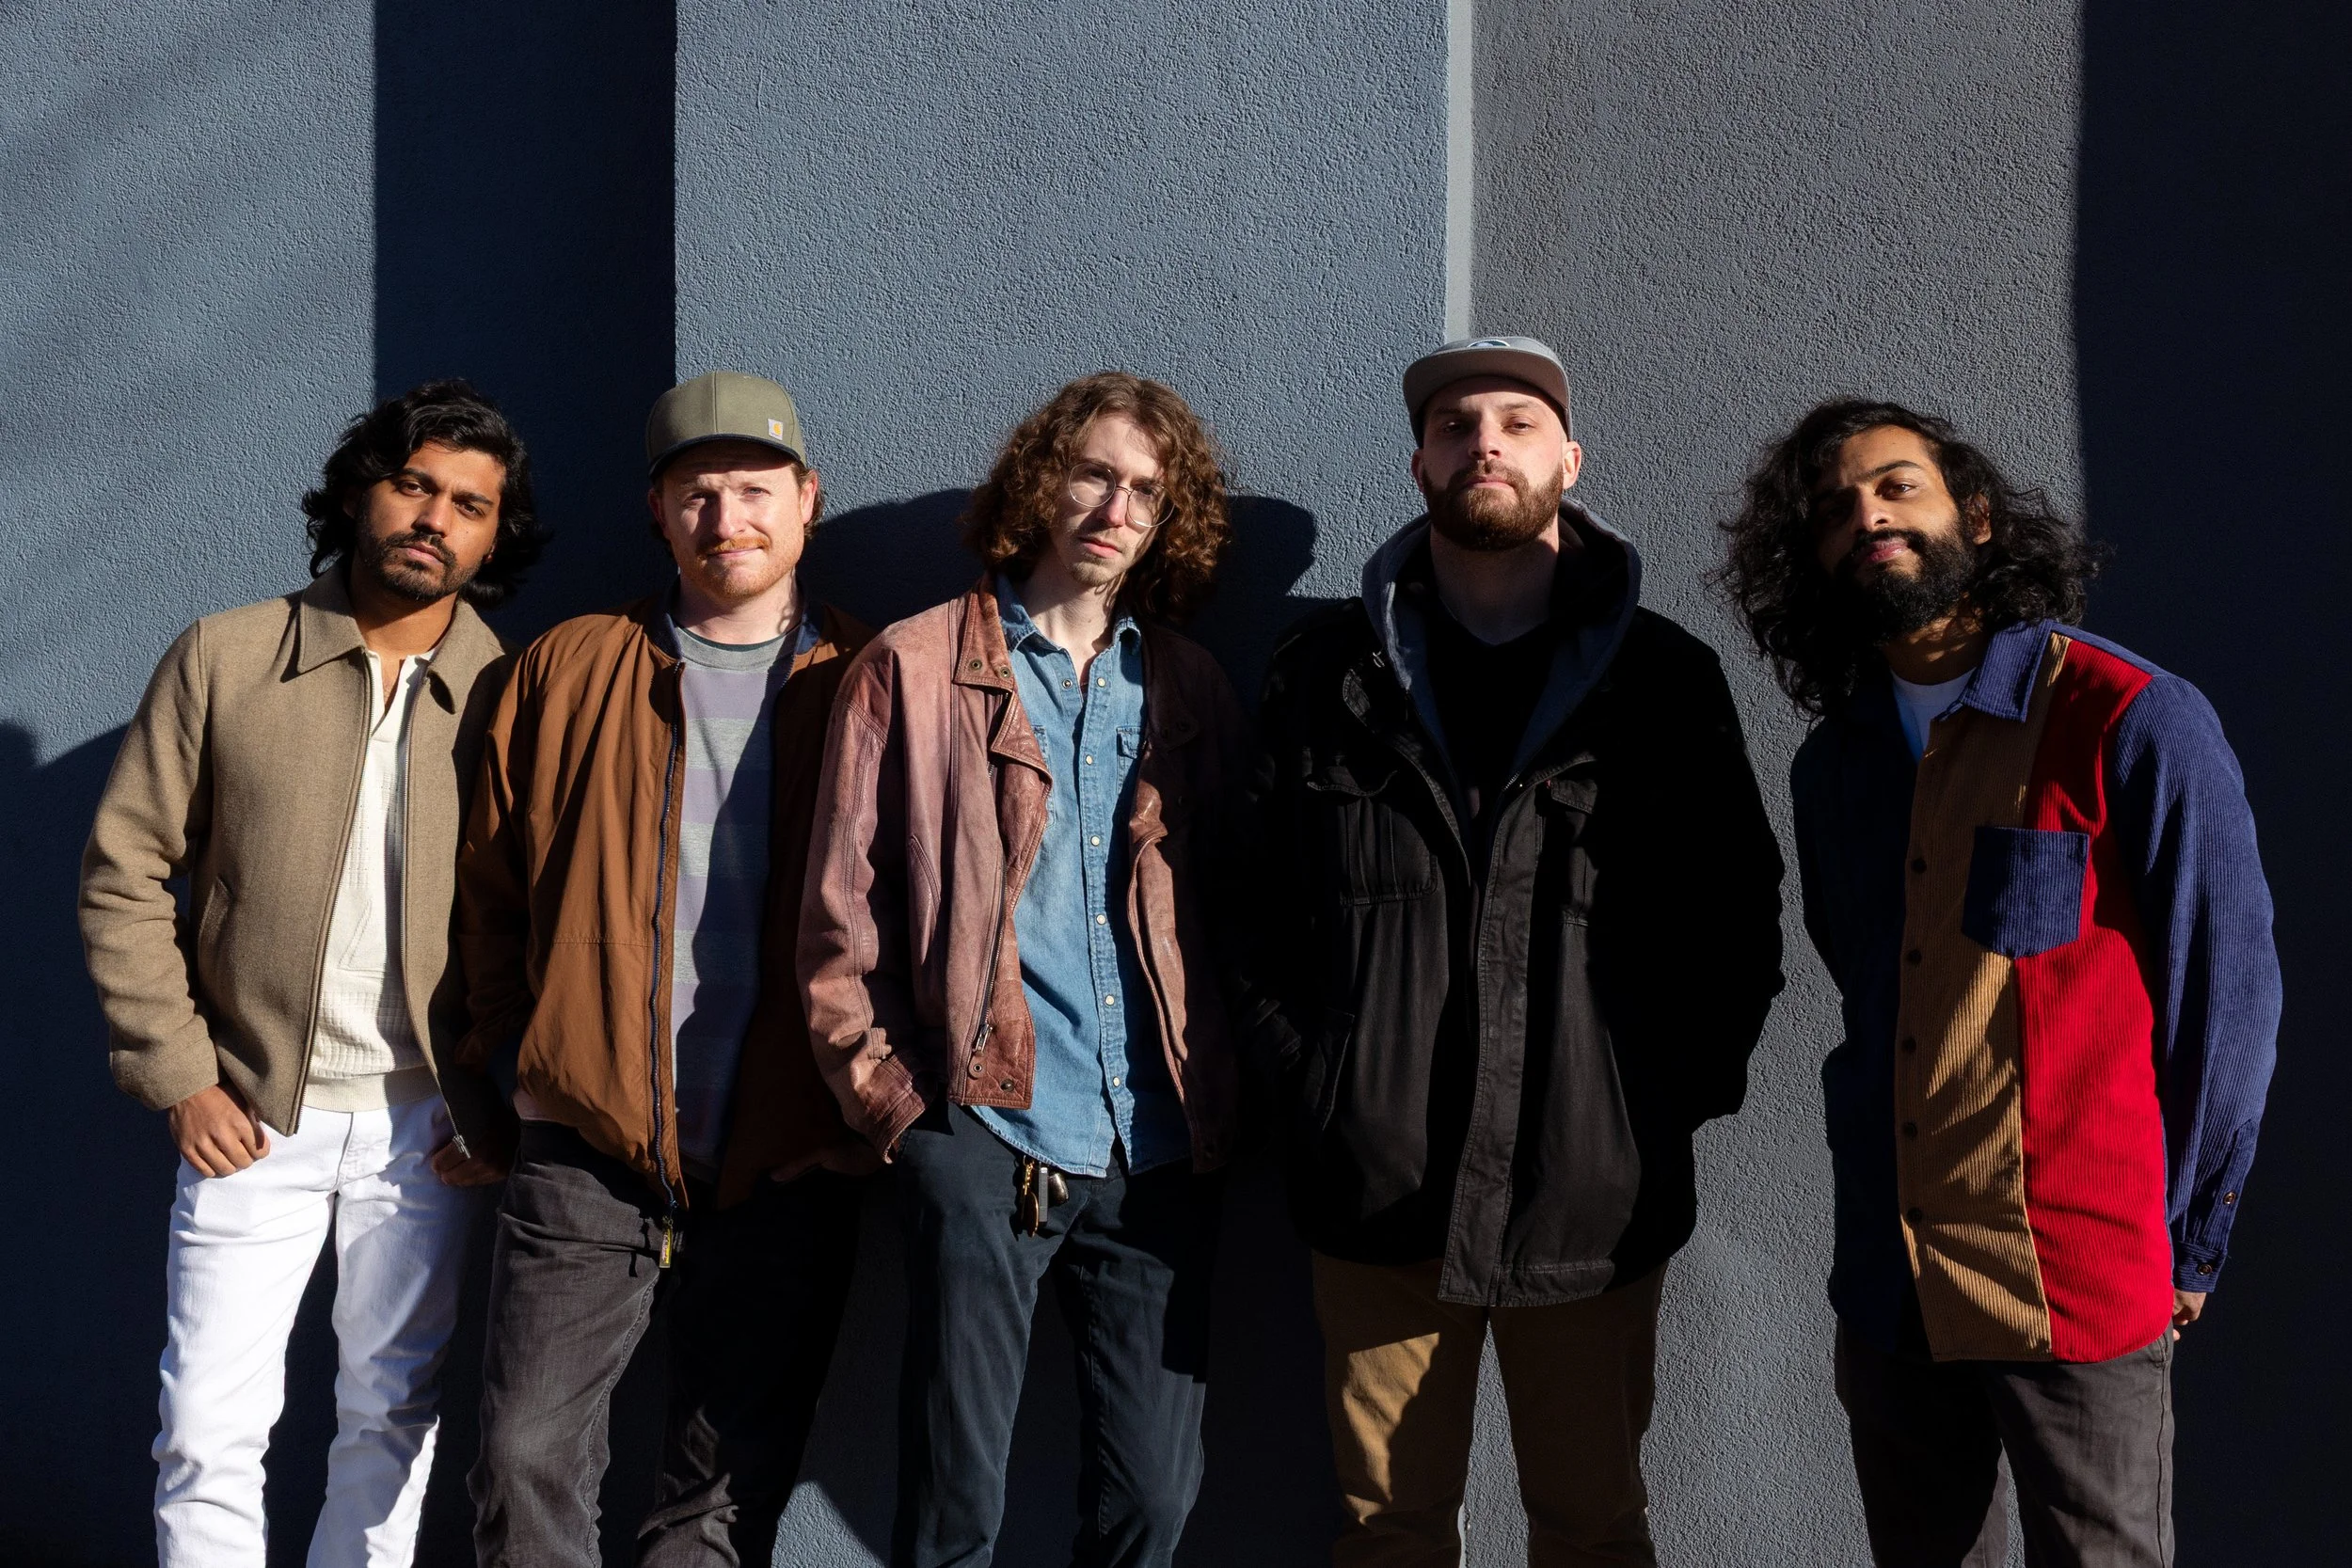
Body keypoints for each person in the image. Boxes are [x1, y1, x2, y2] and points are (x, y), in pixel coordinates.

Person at [1232, 336, 1785, 1566]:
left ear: (1568, 461)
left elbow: (1737, 918)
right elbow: (1247, 902)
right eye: (1454, 425)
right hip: (1376, 1185)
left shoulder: (1662, 677)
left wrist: (1654, 1103)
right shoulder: (1323, 675)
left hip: (1590, 1191)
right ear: (1420, 464)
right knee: (1389, 1528)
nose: (1484, 442)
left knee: (1591, 1526)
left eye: (1517, 422)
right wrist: (1317, 1086)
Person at [1718, 398, 2280, 1566]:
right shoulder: (1835, 765)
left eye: (1897, 487)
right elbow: (1867, 985)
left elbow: (2225, 1000)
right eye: (1834, 509)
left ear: (1975, 516)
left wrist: (2191, 1242)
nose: (1868, 517)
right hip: (1893, 1282)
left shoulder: (2126, 716)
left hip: (2076, 1276)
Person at [80, 380, 541, 1568]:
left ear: (496, 535)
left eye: (470, 504)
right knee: (207, 1426)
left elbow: (546, 918)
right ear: (358, 494)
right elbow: (125, 869)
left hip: (424, 1125)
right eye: (414, 485)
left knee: (392, 1414)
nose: (434, 518)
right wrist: (182, 1073)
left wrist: (497, 1098)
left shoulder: (513, 693)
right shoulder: (229, 654)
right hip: (251, 1111)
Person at [801, 372, 1245, 1568]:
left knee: (1151, 1503)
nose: (1116, 507)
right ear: (1044, 480)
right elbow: (840, 916)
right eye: (1094, 473)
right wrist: (904, 1113)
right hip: (986, 1128)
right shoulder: (913, 664)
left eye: (1146, 489)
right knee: (956, 1503)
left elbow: (1231, 908)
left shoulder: (1188, 686)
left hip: (1155, 1143)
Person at [460, 371, 871, 1566]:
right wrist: (520, 1060)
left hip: (787, 1141)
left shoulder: (870, 675)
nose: (724, 518)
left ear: (807, 499)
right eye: (696, 492)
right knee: (523, 1454)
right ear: (657, 509)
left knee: (726, 1486)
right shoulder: (567, 666)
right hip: (584, 1138)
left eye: (754, 489)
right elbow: (486, 890)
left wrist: (865, 1112)